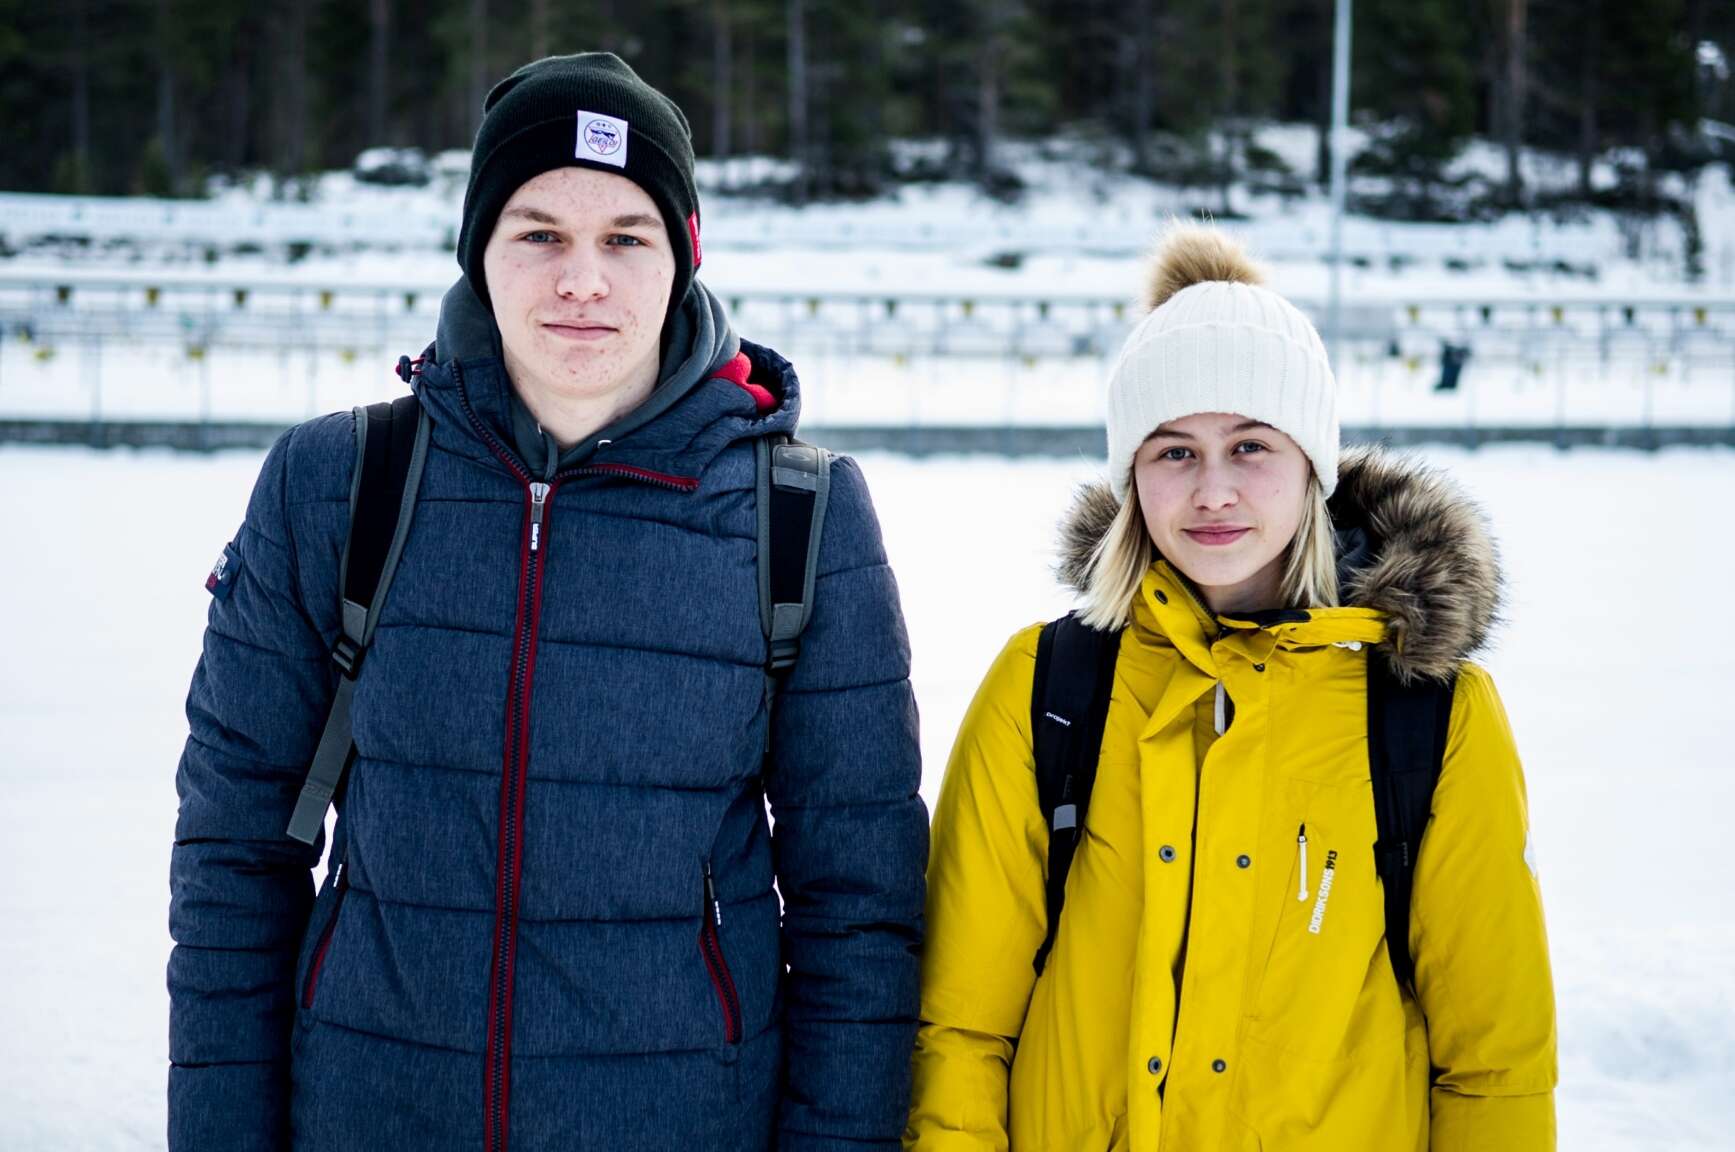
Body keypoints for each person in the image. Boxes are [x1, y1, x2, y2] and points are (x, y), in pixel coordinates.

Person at [168, 52, 926, 1151]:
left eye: (626, 238)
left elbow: (858, 906)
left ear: (682, 258)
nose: (582, 281)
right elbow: (233, 852)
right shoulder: (338, 483)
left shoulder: (799, 516)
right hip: (370, 1113)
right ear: (480, 251)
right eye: (539, 234)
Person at [905, 225, 1556, 1150]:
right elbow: (958, 1030)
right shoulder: (1046, 687)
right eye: (1173, 452)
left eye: (1250, 446)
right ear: (1132, 475)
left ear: (1312, 466)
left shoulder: (1427, 711)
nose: (1212, 491)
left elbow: (1494, 1061)